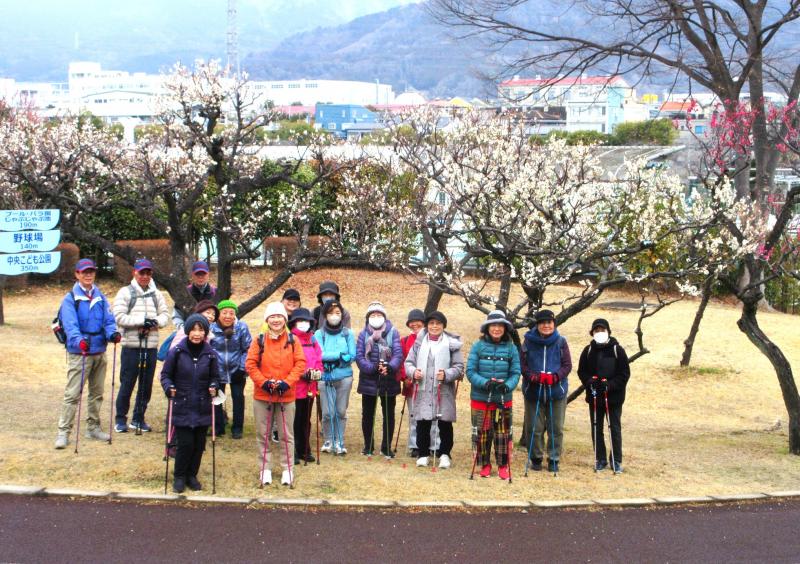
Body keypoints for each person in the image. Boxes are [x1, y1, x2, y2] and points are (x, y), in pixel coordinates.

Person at [54, 258, 120, 449]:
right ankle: (63, 432)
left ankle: (93, 428)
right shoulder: (70, 298)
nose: (88, 275)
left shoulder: (100, 296)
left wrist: (112, 333)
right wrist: (78, 341)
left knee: (97, 393)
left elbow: (109, 320)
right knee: (72, 394)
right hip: (80, 352)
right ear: (77, 274)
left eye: (91, 271)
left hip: (100, 350)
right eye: (84, 272)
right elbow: (70, 324)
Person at [245, 302, 306, 486]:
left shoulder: (293, 340)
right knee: (263, 433)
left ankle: (288, 469)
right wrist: (263, 382)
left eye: (279, 316)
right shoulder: (259, 340)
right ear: (267, 319)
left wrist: (286, 383)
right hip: (263, 395)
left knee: (287, 434)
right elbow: (250, 364)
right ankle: (265, 468)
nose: (276, 319)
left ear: (285, 319)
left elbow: (300, 363)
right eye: (272, 316)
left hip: (286, 395)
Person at [160, 313, 220, 493]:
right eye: (193, 330)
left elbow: (216, 378)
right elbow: (165, 375)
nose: (196, 333)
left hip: (203, 404)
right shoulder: (176, 352)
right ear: (187, 331)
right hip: (182, 403)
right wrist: (169, 386)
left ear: (205, 333)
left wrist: (214, 386)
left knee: (199, 444)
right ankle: (179, 476)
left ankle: (192, 475)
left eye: (200, 330)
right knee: (185, 444)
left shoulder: (210, 354)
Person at [112, 258, 169, 433]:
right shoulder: (125, 292)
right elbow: (119, 316)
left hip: (150, 346)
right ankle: (121, 419)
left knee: (146, 385)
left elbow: (165, 315)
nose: (145, 276)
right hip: (131, 346)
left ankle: (138, 418)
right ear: (134, 273)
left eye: (148, 273)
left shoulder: (156, 294)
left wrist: (154, 322)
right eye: (141, 272)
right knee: (127, 383)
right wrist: (141, 322)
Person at [404, 311, 464, 469]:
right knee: (422, 422)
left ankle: (444, 454)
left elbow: (459, 367)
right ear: (427, 325)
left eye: (438, 323)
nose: (434, 326)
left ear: (443, 326)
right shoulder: (419, 343)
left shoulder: (452, 345)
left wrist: (446, 374)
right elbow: (408, 362)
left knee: (445, 423)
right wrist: (413, 372)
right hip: (423, 388)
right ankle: (423, 454)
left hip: (443, 389)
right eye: (431, 323)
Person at [466, 310, 521, 479]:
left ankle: (503, 465)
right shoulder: (478, 346)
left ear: (505, 328)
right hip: (481, 398)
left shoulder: (512, 348)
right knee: (482, 434)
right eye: (493, 325)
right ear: (487, 327)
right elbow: (470, 371)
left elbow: (516, 372)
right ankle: (485, 464)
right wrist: (484, 383)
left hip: (503, 398)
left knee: (502, 434)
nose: (496, 329)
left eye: (500, 326)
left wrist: (508, 385)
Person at [521, 309, 572, 473]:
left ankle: (554, 458)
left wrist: (556, 377)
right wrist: (533, 377)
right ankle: (535, 458)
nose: (546, 325)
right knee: (534, 428)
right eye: (542, 322)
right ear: (537, 325)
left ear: (554, 324)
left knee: (556, 428)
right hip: (533, 392)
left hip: (556, 392)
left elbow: (567, 365)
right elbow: (523, 365)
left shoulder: (561, 341)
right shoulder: (528, 341)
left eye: (549, 322)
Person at [577, 318, 630, 473]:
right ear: (592, 333)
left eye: (602, 330)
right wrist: (589, 381)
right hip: (594, 396)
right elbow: (582, 371)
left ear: (608, 332)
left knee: (614, 427)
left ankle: (616, 460)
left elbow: (625, 373)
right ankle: (600, 458)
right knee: (596, 427)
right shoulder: (588, 350)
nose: (600, 333)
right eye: (597, 330)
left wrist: (611, 385)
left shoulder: (617, 350)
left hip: (613, 397)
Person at [355, 301, 403, 457]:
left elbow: (398, 354)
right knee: (368, 414)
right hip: (368, 380)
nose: (376, 317)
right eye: (373, 315)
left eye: (379, 315)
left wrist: (389, 367)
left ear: (384, 317)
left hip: (389, 380)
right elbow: (360, 357)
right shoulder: (363, 334)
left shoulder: (393, 332)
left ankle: (386, 446)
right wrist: (373, 368)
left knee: (388, 414)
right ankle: (368, 445)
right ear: (368, 318)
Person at [314, 300, 356, 455]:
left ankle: (339, 441)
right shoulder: (319, 334)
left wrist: (336, 359)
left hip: (344, 377)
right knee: (327, 412)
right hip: (325, 378)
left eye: (337, 313)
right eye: (331, 313)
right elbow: (320, 354)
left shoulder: (347, 333)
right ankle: (328, 440)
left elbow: (352, 355)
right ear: (325, 315)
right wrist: (338, 355)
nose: (334, 316)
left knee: (340, 411)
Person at [210, 300, 252, 439]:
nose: (228, 316)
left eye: (231, 313)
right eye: (224, 313)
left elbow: (247, 349)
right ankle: (218, 426)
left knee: (238, 397)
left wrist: (241, 368)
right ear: (218, 314)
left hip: (237, 369)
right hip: (217, 370)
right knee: (217, 397)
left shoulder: (241, 327)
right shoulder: (211, 328)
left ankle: (237, 427)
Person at [288, 308, 323, 463]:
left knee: (306, 419)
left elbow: (319, 359)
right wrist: (301, 374)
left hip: (310, 386)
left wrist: (318, 372)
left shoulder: (313, 340)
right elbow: (288, 362)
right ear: (294, 323)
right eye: (300, 321)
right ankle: (293, 450)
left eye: (306, 321)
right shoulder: (290, 340)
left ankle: (304, 449)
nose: (303, 324)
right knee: (294, 419)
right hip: (295, 387)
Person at [400, 308, 435, 458]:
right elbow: (401, 362)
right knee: (414, 415)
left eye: (418, 322)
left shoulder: (433, 338)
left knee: (432, 415)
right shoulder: (405, 341)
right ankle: (415, 445)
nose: (415, 325)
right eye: (411, 322)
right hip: (411, 384)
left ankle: (433, 445)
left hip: (430, 384)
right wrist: (405, 377)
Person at [172, 260, 218, 330]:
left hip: (211, 332)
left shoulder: (215, 292)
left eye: (203, 274)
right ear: (192, 275)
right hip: (187, 332)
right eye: (197, 274)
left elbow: (220, 316)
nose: (200, 277)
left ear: (208, 274)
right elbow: (177, 315)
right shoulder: (184, 293)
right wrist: (183, 329)